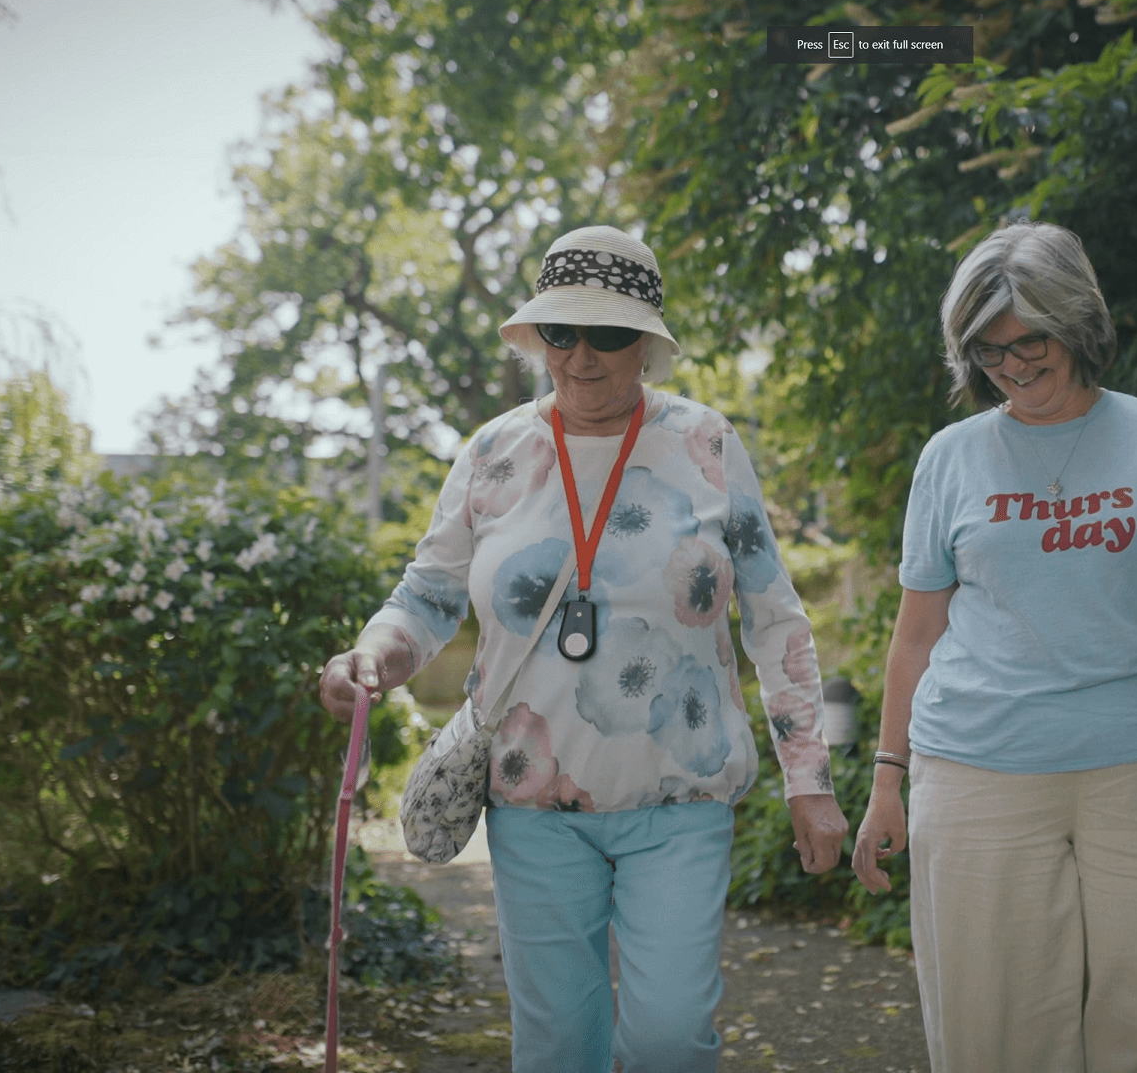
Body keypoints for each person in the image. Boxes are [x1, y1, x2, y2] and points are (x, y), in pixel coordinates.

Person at [320, 225, 848, 1073]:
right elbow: (427, 593)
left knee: (671, 1039)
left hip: (680, 800)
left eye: (608, 335)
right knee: (559, 1049)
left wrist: (809, 781)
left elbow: (777, 620)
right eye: (561, 332)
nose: (582, 356)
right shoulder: (495, 452)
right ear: (537, 337)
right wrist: (374, 655)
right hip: (532, 806)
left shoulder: (707, 446)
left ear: (647, 344)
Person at [850, 221, 1137, 1073]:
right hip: (975, 770)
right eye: (988, 350)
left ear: (1075, 321)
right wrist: (886, 779)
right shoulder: (951, 459)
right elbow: (918, 635)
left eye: (1029, 339)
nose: (1011, 364)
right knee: (996, 1033)